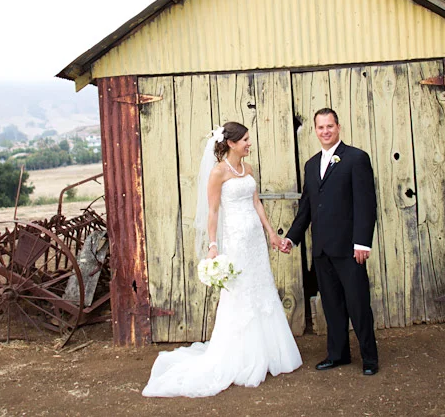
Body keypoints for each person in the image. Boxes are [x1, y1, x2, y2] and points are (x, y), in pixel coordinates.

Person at [142, 121, 302, 397]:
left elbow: (256, 203)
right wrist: (213, 245)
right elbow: (213, 212)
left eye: (249, 140)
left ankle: (270, 352)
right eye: (245, 141)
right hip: (236, 242)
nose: (249, 144)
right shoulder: (218, 173)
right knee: (241, 294)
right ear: (231, 143)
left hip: (255, 241)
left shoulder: (248, 169)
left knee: (262, 289)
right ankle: (242, 357)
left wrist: (272, 234)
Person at [282, 108, 379, 375]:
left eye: (330, 126)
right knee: (332, 306)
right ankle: (338, 355)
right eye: (320, 127)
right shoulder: (311, 164)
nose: (325, 131)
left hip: (349, 248)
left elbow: (365, 203)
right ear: (315, 130)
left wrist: (362, 242)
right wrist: (292, 237)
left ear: (338, 127)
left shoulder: (356, 158)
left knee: (358, 304)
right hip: (322, 249)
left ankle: (370, 358)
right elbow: (307, 207)